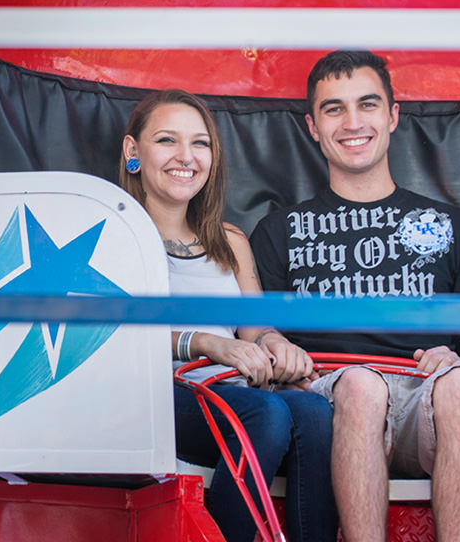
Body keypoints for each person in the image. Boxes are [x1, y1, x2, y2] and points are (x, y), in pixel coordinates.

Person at [249, 50, 460, 542]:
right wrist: (278, 351)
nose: (353, 122)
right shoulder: (278, 231)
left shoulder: (448, 225)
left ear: (392, 116)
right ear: (312, 125)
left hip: (431, 404)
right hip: (330, 400)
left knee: (459, 384)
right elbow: (257, 336)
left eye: (367, 105)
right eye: (334, 109)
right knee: (361, 386)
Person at [120, 89, 337, 542]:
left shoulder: (230, 240)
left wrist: (274, 345)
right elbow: (114, 333)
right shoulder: (112, 236)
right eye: (167, 141)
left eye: (200, 143)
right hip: (152, 397)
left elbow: (254, 326)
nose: (186, 156)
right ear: (133, 151)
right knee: (265, 414)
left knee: (315, 411)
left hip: (230, 396)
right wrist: (207, 342)